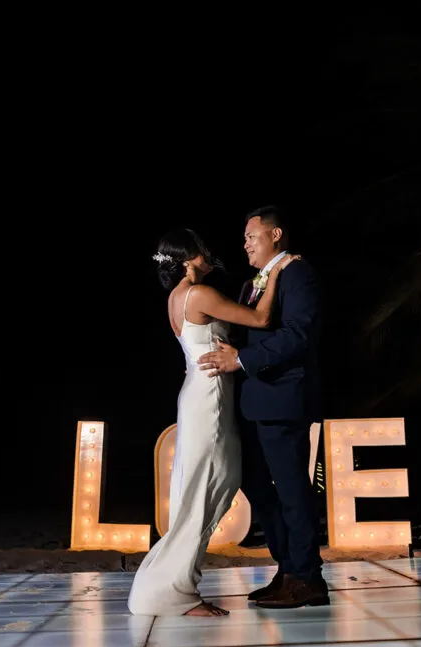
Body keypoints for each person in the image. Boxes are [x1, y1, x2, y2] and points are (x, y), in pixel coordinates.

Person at [127, 228, 298, 617]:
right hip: (209, 398)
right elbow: (261, 317)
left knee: (207, 487)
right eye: (201, 249)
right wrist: (275, 272)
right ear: (188, 257)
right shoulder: (199, 294)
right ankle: (175, 592)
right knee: (209, 487)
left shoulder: (176, 297)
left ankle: (169, 585)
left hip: (197, 393)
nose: (208, 252)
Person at [197, 206, 328, 609]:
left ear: (276, 235)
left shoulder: (298, 273)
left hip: (284, 398)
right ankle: (287, 567)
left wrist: (240, 360)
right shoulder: (256, 281)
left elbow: (298, 335)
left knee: (292, 492)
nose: (245, 244)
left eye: (252, 236)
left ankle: (307, 578)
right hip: (255, 402)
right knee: (257, 488)